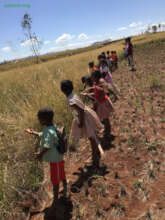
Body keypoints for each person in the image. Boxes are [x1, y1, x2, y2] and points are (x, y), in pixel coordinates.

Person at [25, 107, 67, 201]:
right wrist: (33, 133)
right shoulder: (51, 127)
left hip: (55, 160)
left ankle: (55, 200)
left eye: (39, 118)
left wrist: (40, 154)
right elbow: (43, 135)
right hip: (58, 157)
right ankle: (65, 190)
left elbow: (47, 146)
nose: (38, 120)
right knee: (62, 175)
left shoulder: (48, 130)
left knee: (55, 180)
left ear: (44, 120)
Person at [61, 80, 104, 168]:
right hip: (86, 114)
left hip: (84, 117)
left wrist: (80, 122)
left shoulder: (70, 100)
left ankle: (95, 157)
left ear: (63, 90)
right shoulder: (73, 95)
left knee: (91, 137)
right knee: (92, 136)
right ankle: (96, 153)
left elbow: (80, 111)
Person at [85, 71, 114, 137]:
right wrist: (89, 94)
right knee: (104, 118)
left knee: (106, 119)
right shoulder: (96, 84)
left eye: (92, 77)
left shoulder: (99, 85)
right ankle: (107, 130)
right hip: (101, 103)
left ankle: (108, 132)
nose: (91, 78)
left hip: (102, 104)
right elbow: (96, 93)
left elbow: (101, 95)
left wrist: (94, 99)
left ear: (95, 77)